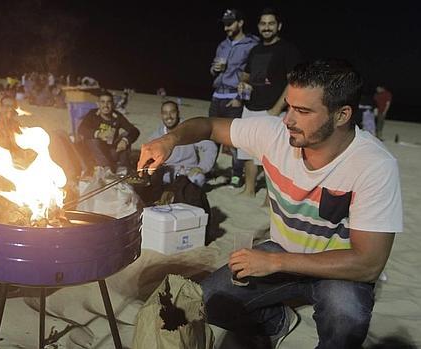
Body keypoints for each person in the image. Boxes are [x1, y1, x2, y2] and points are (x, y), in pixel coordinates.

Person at [138, 59, 402, 348]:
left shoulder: (374, 165)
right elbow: (209, 126)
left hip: (335, 267)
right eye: (289, 106)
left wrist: (273, 261)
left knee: (346, 315)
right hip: (282, 250)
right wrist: (170, 140)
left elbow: (368, 264)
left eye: (303, 111)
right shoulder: (276, 134)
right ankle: (277, 322)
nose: (288, 119)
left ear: (342, 115)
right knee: (207, 301)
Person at [236, 7, 301, 197]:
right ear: (258, 26)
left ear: (278, 26)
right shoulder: (255, 50)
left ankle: (269, 197)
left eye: (271, 23)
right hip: (250, 108)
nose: (267, 27)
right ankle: (249, 190)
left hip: (272, 110)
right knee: (247, 152)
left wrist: (276, 108)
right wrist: (242, 84)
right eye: (263, 24)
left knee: (272, 156)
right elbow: (246, 76)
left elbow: (294, 82)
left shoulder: (288, 49)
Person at [208, 9, 259, 187]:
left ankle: (236, 175)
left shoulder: (252, 44)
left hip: (233, 97)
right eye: (224, 24)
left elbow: (253, 74)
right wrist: (214, 69)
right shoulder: (222, 45)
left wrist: (240, 97)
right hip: (217, 95)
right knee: (212, 136)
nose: (226, 27)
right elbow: (213, 68)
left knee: (234, 139)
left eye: (230, 23)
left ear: (241, 22)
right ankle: (209, 170)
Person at [150, 100, 216, 187]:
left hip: (189, 173)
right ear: (161, 115)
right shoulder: (156, 136)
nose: (169, 116)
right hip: (167, 175)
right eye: (165, 113)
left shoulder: (189, 130)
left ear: (178, 113)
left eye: (172, 112)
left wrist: (202, 167)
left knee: (198, 178)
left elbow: (211, 147)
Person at [77, 91, 140, 173]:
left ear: (113, 104)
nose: (105, 106)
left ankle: (124, 168)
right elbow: (81, 129)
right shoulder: (93, 114)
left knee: (125, 136)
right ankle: (106, 168)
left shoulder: (117, 116)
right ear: (98, 104)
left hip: (111, 151)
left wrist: (125, 141)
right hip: (94, 154)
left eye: (108, 102)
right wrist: (98, 134)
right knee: (92, 138)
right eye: (102, 102)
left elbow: (134, 131)